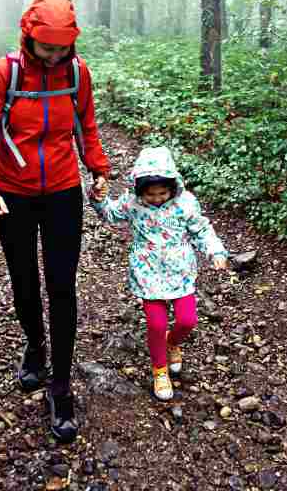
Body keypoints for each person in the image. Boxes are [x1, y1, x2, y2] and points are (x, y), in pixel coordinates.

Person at [0, 0, 111, 443]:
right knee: (25, 280)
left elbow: (86, 125)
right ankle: (34, 346)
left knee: (63, 287)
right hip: (14, 194)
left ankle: (62, 386)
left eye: (61, 47)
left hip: (65, 191)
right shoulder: (4, 74)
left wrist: (98, 168)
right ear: (28, 38)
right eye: (46, 47)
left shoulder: (76, 73)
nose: (53, 56)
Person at [89, 146, 228, 401]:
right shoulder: (133, 203)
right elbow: (109, 214)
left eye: (162, 193)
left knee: (187, 321)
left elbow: (201, 229)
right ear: (139, 189)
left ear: (173, 187)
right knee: (156, 323)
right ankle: (159, 369)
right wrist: (98, 199)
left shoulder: (184, 204)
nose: (156, 199)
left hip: (180, 271)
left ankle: (172, 342)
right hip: (148, 271)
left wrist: (215, 251)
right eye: (150, 194)